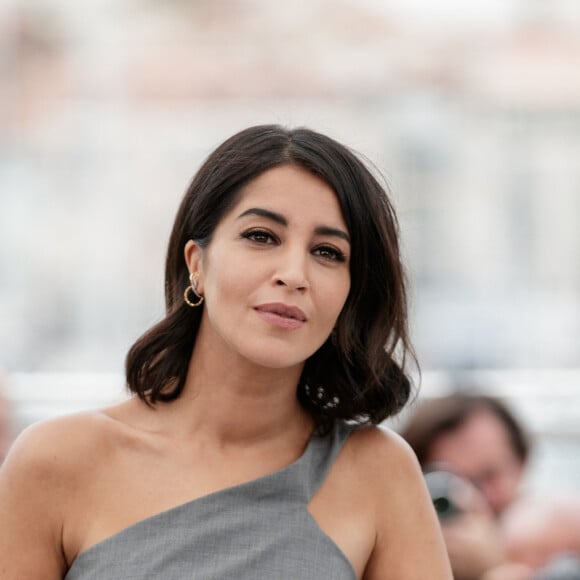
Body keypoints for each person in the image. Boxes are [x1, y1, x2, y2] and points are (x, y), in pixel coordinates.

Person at [0, 125, 452, 579]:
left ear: (351, 292)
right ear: (196, 263)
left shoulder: (380, 473)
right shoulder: (57, 460)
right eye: (261, 237)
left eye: (328, 252)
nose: (294, 273)